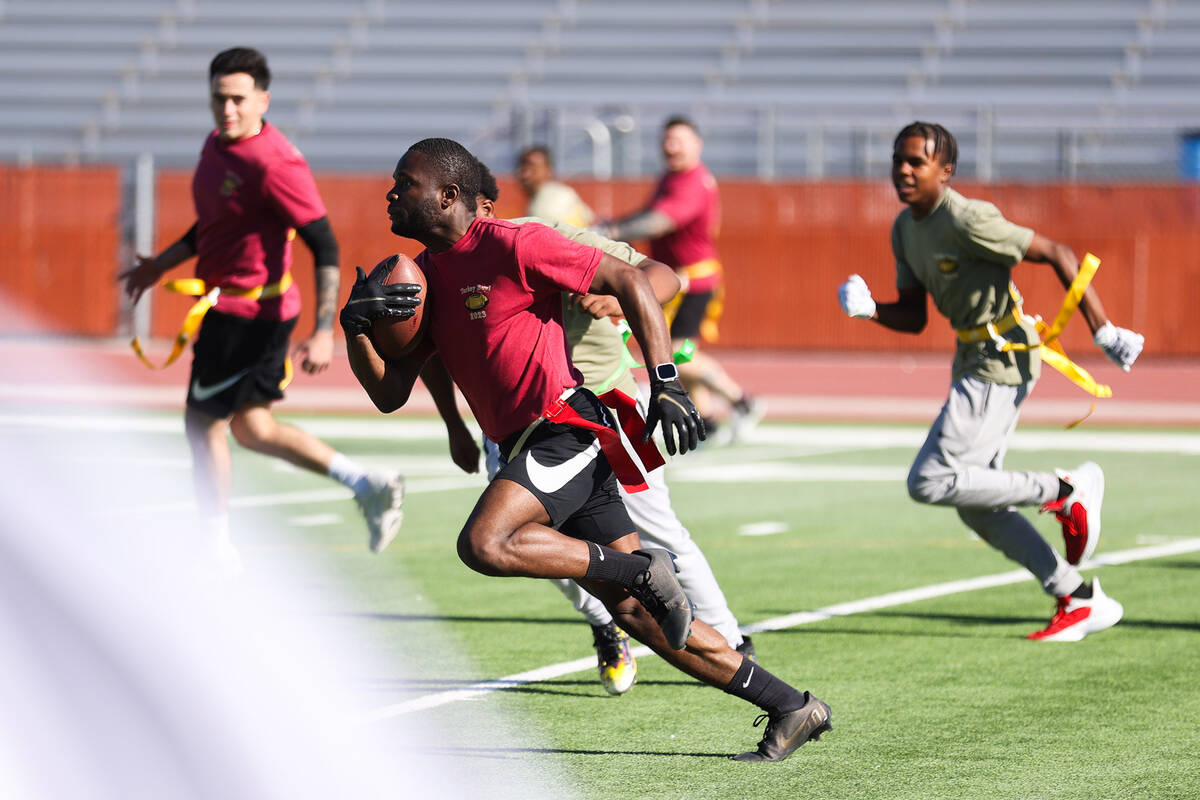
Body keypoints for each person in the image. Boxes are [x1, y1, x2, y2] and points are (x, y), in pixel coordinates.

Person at [341, 137, 830, 761]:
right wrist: (357, 330)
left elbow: (632, 277)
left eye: (403, 183)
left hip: (565, 426)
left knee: (484, 544)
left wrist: (666, 383)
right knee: (638, 616)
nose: (390, 193)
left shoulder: (511, 243)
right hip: (526, 443)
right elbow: (388, 392)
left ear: (448, 195)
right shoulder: (428, 278)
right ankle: (792, 706)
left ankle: (639, 570)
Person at [424, 162, 756, 696]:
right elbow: (434, 352)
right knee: (537, 548)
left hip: (606, 405)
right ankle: (606, 622)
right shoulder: (454, 264)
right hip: (519, 426)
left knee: (659, 532)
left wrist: (621, 294)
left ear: (483, 205)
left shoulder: (541, 238)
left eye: (485, 211)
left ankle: (735, 643)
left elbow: (659, 274)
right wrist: (455, 427)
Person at [837, 121, 1145, 642]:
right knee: (978, 508)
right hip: (972, 357)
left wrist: (1104, 329)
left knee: (929, 481)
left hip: (1000, 361)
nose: (904, 170)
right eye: (898, 160)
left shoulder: (968, 217)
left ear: (946, 171)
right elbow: (913, 317)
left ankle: (1066, 489)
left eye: (917, 161)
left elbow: (1058, 253)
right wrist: (872, 311)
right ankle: (1078, 597)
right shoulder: (904, 228)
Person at [120, 47, 404, 574]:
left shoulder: (275, 163)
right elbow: (213, 224)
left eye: (237, 100)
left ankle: (214, 551)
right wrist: (158, 265)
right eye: (218, 99)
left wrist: (324, 331)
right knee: (252, 427)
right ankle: (367, 484)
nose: (226, 110)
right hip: (238, 310)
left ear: (263, 100)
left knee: (202, 424)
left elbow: (324, 245)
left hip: (249, 317)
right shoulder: (216, 145)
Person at [600, 116, 764, 442]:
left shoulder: (692, 181)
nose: (670, 146)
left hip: (694, 282)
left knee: (676, 353)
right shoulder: (672, 178)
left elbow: (660, 221)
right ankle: (707, 419)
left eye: (679, 140)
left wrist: (612, 231)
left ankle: (742, 401)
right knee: (681, 350)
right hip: (675, 281)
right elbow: (649, 215)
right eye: (667, 140)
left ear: (697, 145)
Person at [514, 145, 595, 228]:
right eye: (522, 168)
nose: (524, 175)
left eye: (532, 168)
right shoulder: (562, 191)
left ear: (549, 171)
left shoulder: (548, 200)